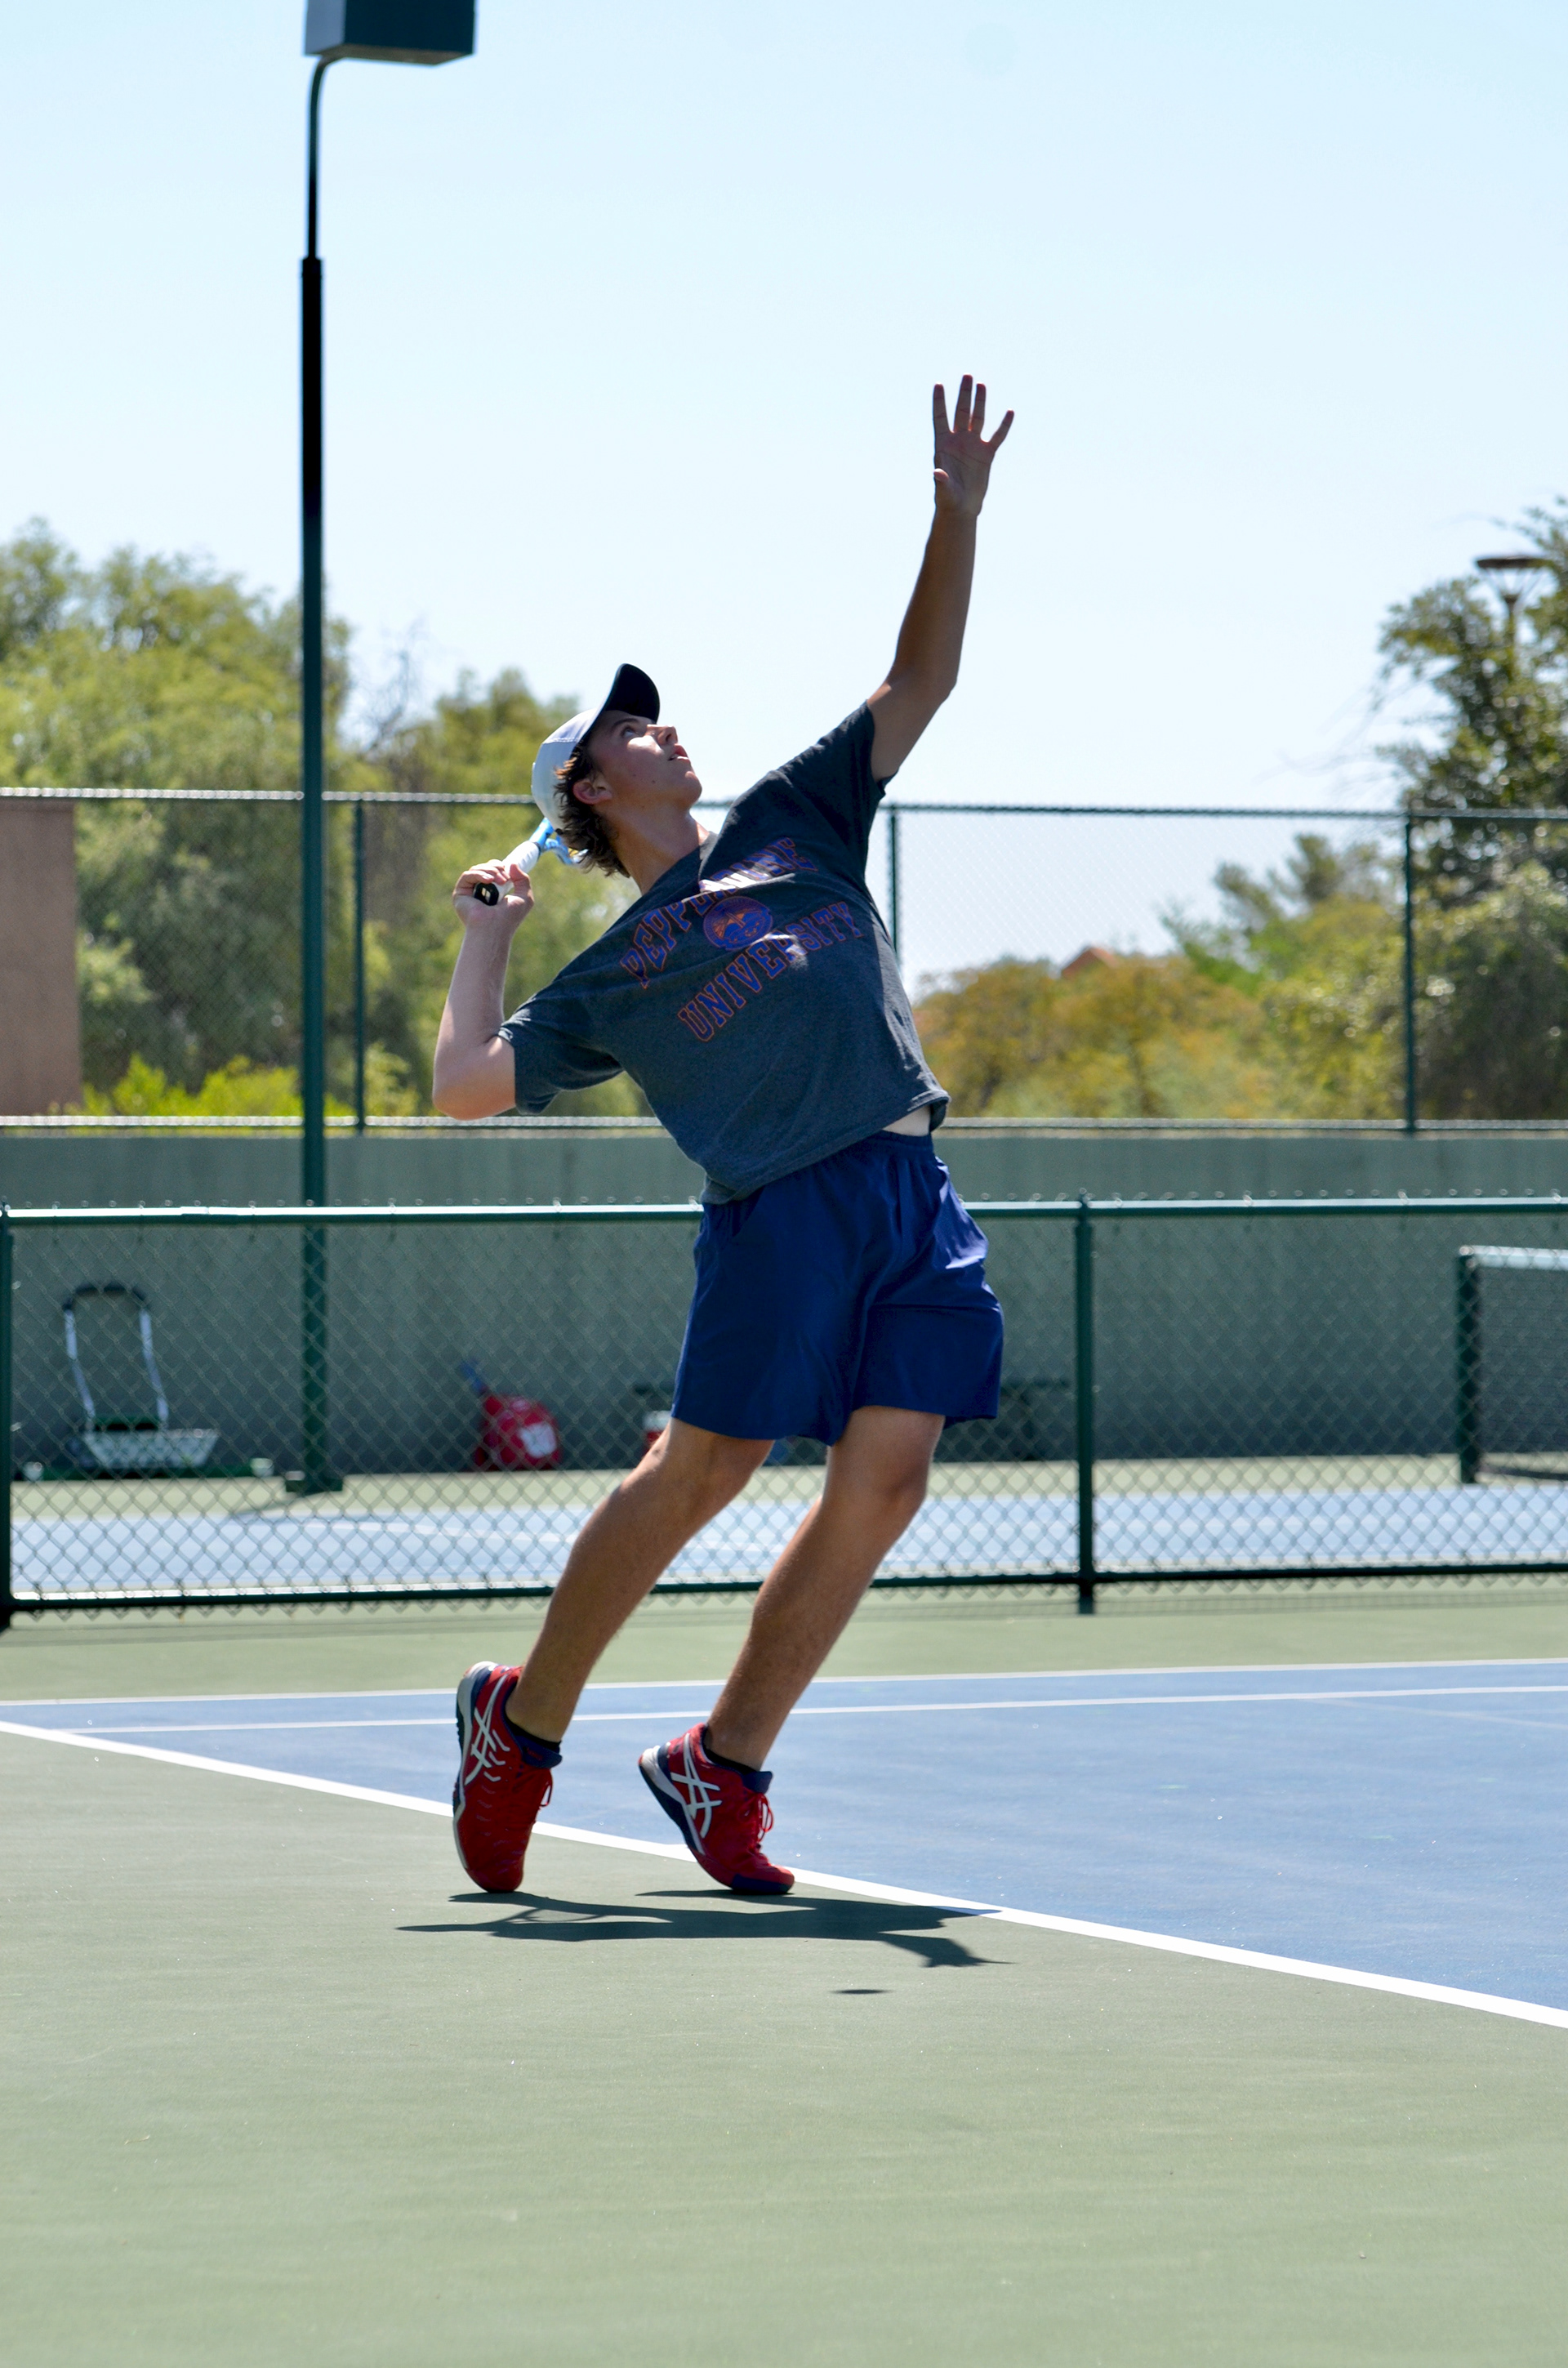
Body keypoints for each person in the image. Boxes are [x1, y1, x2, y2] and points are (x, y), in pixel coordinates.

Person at [434, 377, 1013, 1899]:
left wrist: (953, 516)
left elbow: (922, 677)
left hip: (910, 1184)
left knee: (887, 1483)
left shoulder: (791, 818)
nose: (666, 730)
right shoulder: (616, 972)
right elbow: (465, 1086)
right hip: (780, 1217)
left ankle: (723, 1768)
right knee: (700, 1477)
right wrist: (490, 935)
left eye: (662, 715)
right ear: (590, 791)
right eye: (636, 728)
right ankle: (523, 1726)